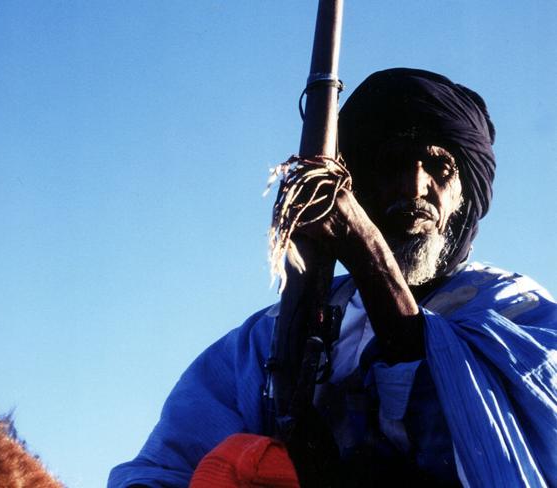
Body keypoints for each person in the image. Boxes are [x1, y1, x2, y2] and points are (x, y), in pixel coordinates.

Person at [108, 68, 557, 487]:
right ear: (360, 186)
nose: (415, 186)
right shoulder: (264, 339)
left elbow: (500, 442)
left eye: (439, 168)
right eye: (394, 164)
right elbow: (164, 465)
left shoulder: (516, 309)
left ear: (463, 195)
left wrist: (368, 255)